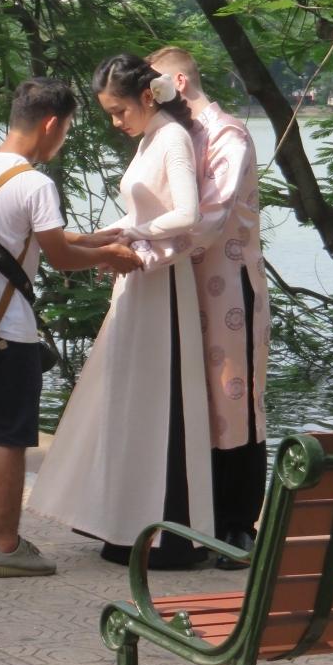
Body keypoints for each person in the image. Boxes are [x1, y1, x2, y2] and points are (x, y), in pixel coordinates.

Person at [0, 77, 141, 579]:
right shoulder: (36, 184)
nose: (63, 139)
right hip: (8, 334)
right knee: (10, 438)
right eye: (66, 130)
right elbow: (59, 257)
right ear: (51, 124)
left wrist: (94, 238)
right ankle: (5, 547)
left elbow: (15, 235)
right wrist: (109, 255)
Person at [27, 54, 214, 568]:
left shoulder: (171, 137)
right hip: (139, 279)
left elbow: (187, 214)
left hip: (161, 285)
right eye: (109, 112)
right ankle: (124, 522)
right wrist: (108, 236)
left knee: (158, 401)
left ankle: (169, 535)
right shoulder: (151, 138)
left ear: (147, 97)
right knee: (130, 399)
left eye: (119, 111)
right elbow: (144, 212)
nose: (116, 121)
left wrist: (130, 233)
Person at [138, 46, 270, 565]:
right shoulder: (175, 135)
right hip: (183, 283)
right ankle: (200, 518)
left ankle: (239, 523)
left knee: (234, 401)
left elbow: (211, 216)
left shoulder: (227, 135)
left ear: (178, 82)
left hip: (229, 285)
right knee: (196, 400)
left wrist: (142, 251)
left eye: (154, 84)